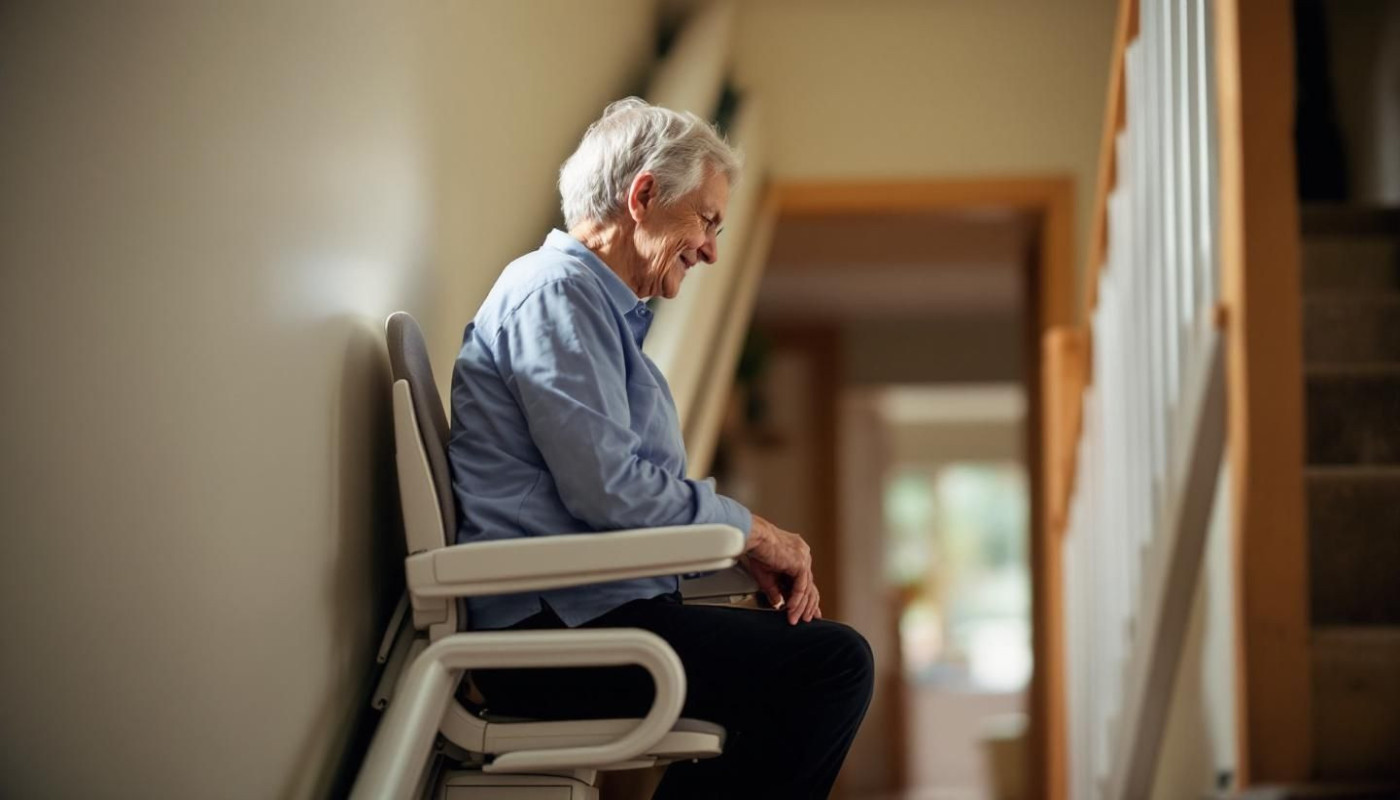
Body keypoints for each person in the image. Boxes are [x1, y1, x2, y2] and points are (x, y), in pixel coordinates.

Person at [447, 97, 873, 798]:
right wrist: (755, 535)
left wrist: (733, 550)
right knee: (831, 666)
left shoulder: (597, 313)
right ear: (642, 195)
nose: (711, 248)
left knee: (808, 668)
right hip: (551, 638)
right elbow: (609, 488)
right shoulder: (555, 294)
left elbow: (607, 495)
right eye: (707, 221)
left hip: (587, 617)